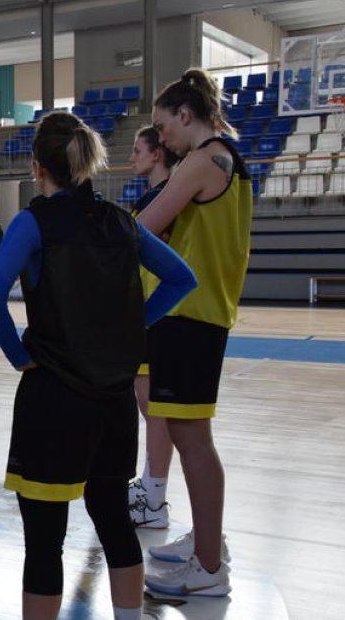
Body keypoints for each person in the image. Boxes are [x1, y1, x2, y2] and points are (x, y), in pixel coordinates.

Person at [0, 112, 196, 620]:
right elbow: (182, 278)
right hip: (113, 400)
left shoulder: (34, 221)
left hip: (53, 397)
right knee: (115, 521)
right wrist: (132, 329)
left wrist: (20, 357)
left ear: (38, 167)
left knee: (45, 542)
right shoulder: (121, 221)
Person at [137, 69, 253, 598]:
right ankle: (209, 544)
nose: (162, 139)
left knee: (195, 443)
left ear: (186, 115)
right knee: (191, 440)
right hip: (202, 314)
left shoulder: (202, 160)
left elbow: (143, 227)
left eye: (164, 127)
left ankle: (208, 569)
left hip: (192, 315)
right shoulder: (227, 157)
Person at [125, 126, 180, 530]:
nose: (132, 158)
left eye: (138, 150)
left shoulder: (166, 201)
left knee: (155, 409)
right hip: (146, 313)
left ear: (158, 154)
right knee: (150, 408)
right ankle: (150, 487)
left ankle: (154, 496)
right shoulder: (153, 199)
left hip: (155, 314)